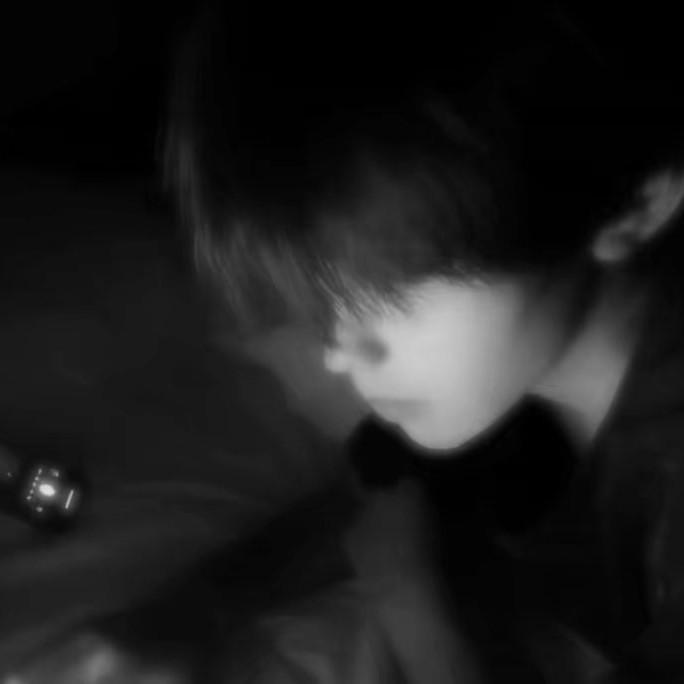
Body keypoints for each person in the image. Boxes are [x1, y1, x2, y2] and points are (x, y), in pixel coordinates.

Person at [163, 3, 684, 681]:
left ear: (633, 205)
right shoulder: (503, 382)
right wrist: (191, 610)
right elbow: (382, 496)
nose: (340, 351)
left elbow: (393, 541)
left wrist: (415, 613)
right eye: (324, 295)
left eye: (394, 288)